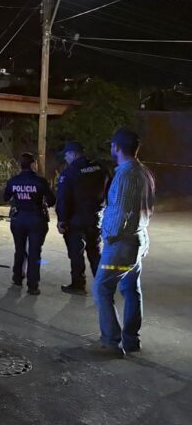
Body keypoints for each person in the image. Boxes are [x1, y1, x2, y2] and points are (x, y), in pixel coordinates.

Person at [93, 128, 155, 358]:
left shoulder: (127, 174)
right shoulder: (144, 173)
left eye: (112, 146)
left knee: (102, 288)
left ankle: (112, 341)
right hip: (137, 240)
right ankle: (131, 340)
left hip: (121, 244)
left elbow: (122, 211)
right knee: (131, 289)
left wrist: (107, 235)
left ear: (116, 147)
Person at [56, 142, 109, 295]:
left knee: (76, 253)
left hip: (75, 220)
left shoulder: (69, 172)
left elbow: (63, 198)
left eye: (66, 155)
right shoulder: (100, 168)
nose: (65, 158)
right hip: (95, 217)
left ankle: (78, 285)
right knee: (95, 252)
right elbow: (111, 190)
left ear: (73, 154)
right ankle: (103, 287)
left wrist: (62, 220)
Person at [4, 152, 56, 295]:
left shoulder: (13, 181)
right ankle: (33, 285)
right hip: (36, 219)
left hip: (18, 218)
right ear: (33, 164)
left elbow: (5, 197)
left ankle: (17, 277)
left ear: (20, 165)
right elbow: (52, 200)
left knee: (19, 250)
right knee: (34, 252)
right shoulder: (40, 181)